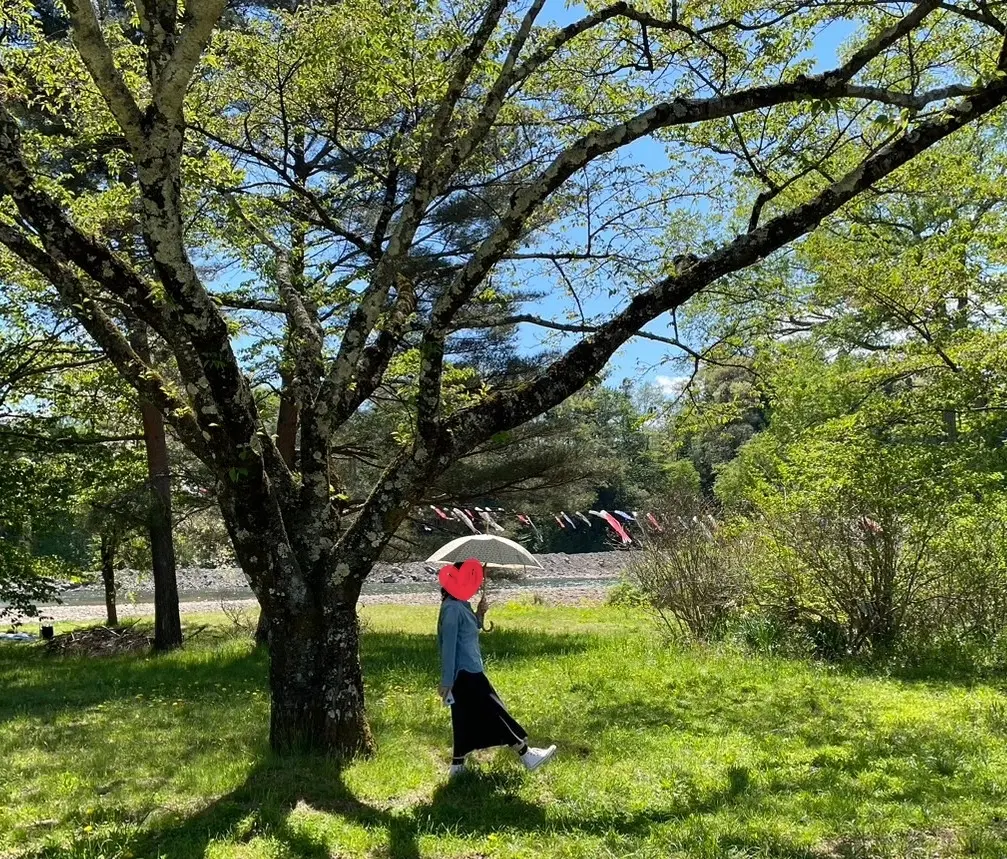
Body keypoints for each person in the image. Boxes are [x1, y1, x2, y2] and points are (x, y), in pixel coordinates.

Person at [437, 568, 556, 777]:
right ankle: (526, 754)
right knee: (494, 712)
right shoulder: (452, 609)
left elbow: (471, 630)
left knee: (464, 717)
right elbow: (448, 646)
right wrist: (447, 681)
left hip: (470, 669)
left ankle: (457, 767)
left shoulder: (461, 605)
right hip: (465, 674)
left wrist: (480, 614)